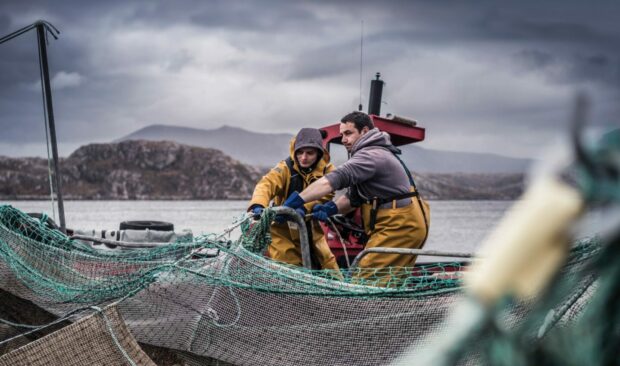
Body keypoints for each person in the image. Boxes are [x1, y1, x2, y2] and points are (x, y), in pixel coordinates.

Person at [280, 111, 430, 285]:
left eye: (348, 133)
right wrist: (332, 209)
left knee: (364, 280)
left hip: (399, 225)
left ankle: (360, 312)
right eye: (342, 134)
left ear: (365, 131)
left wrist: (296, 201)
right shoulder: (379, 151)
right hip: (408, 222)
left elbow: (333, 180)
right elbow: (355, 197)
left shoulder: (371, 155)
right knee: (390, 280)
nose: (343, 139)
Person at [247, 128, 340, 272]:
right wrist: (258, 204)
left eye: (310, 153)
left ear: (319, 153)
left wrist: (308, 207)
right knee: (288, 268)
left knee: (329, 267)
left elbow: (326, 194)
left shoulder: (328, 171)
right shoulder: (284, 168)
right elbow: (266, 184)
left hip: (310, 228)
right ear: (294, 151)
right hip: (281, 228)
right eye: (300, 152)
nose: (304, 157)